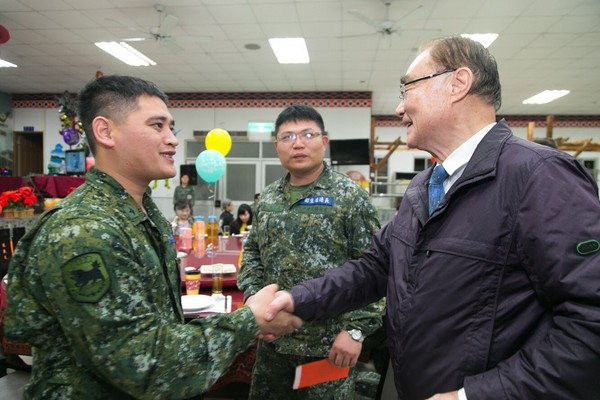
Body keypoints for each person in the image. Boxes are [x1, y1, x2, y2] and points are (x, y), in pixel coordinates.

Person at [264, 36, 600, 400]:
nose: (398, 107)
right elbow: (373, 268)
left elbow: (589, 322)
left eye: (407, 88)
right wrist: (296, 299)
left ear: (458, 83)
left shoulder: (540, 176)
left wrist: (474, 396)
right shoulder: (424, 186)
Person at [3, 75, 302, 399]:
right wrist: (249, 320)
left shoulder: (143, 216)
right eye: (157, 126)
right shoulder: (84, 231)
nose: (171, 139)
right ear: (106, 131)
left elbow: (157, 329)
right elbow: (145, 364)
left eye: (170, 127)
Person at [238, 104, 385, 399]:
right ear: (277, 146)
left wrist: (355, 331)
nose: (299, 143)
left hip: (329, 348)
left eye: (307, 134)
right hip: (273, 345)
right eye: (288, 137)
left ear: (324, 142)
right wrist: (255, 300)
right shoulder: (267, 198)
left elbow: (376, 267)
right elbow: (253, 252)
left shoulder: (349, 196)